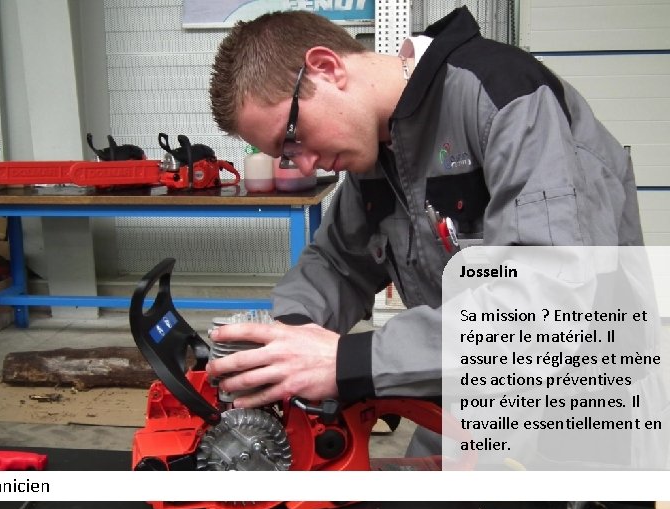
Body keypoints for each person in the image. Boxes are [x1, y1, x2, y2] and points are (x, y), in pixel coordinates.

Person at [205, 7, 643, 456]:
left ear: (326, 68)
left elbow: (547, 308)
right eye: (284, 155)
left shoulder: (504, 97)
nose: (301, 165)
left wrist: (345, 361)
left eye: (292, 137)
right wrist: (288, 343)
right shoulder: (378, 151)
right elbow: (337, 265)